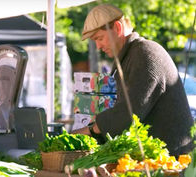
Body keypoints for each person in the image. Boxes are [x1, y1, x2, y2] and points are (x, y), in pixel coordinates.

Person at [72, 4, 194, 157]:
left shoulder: (145, 54)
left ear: (117, 28)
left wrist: (89, 131)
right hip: (156, 158)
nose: (98, 46)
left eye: (99, 38)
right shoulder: (131, 56)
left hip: (174, 161)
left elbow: (128, 114)